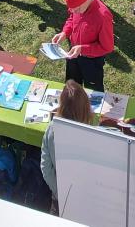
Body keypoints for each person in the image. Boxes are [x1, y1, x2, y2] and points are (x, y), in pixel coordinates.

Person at [40, 81, 94, 213]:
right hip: (86, 199)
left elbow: (45, 167)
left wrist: (59, 191)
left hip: (60, 197)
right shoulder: (90, 135)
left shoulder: (52, 129)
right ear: (85, 108)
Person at [51, 0, 114, 92]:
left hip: (92, 61)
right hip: (73, 53)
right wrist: (65, 32)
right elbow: (72, 19)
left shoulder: (103, 17)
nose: (73, 12)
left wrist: (83, 49)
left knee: (94, 91)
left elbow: (107, 47)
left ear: (83, 3)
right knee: (72, 86)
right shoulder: (78, 6)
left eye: (76, 10)